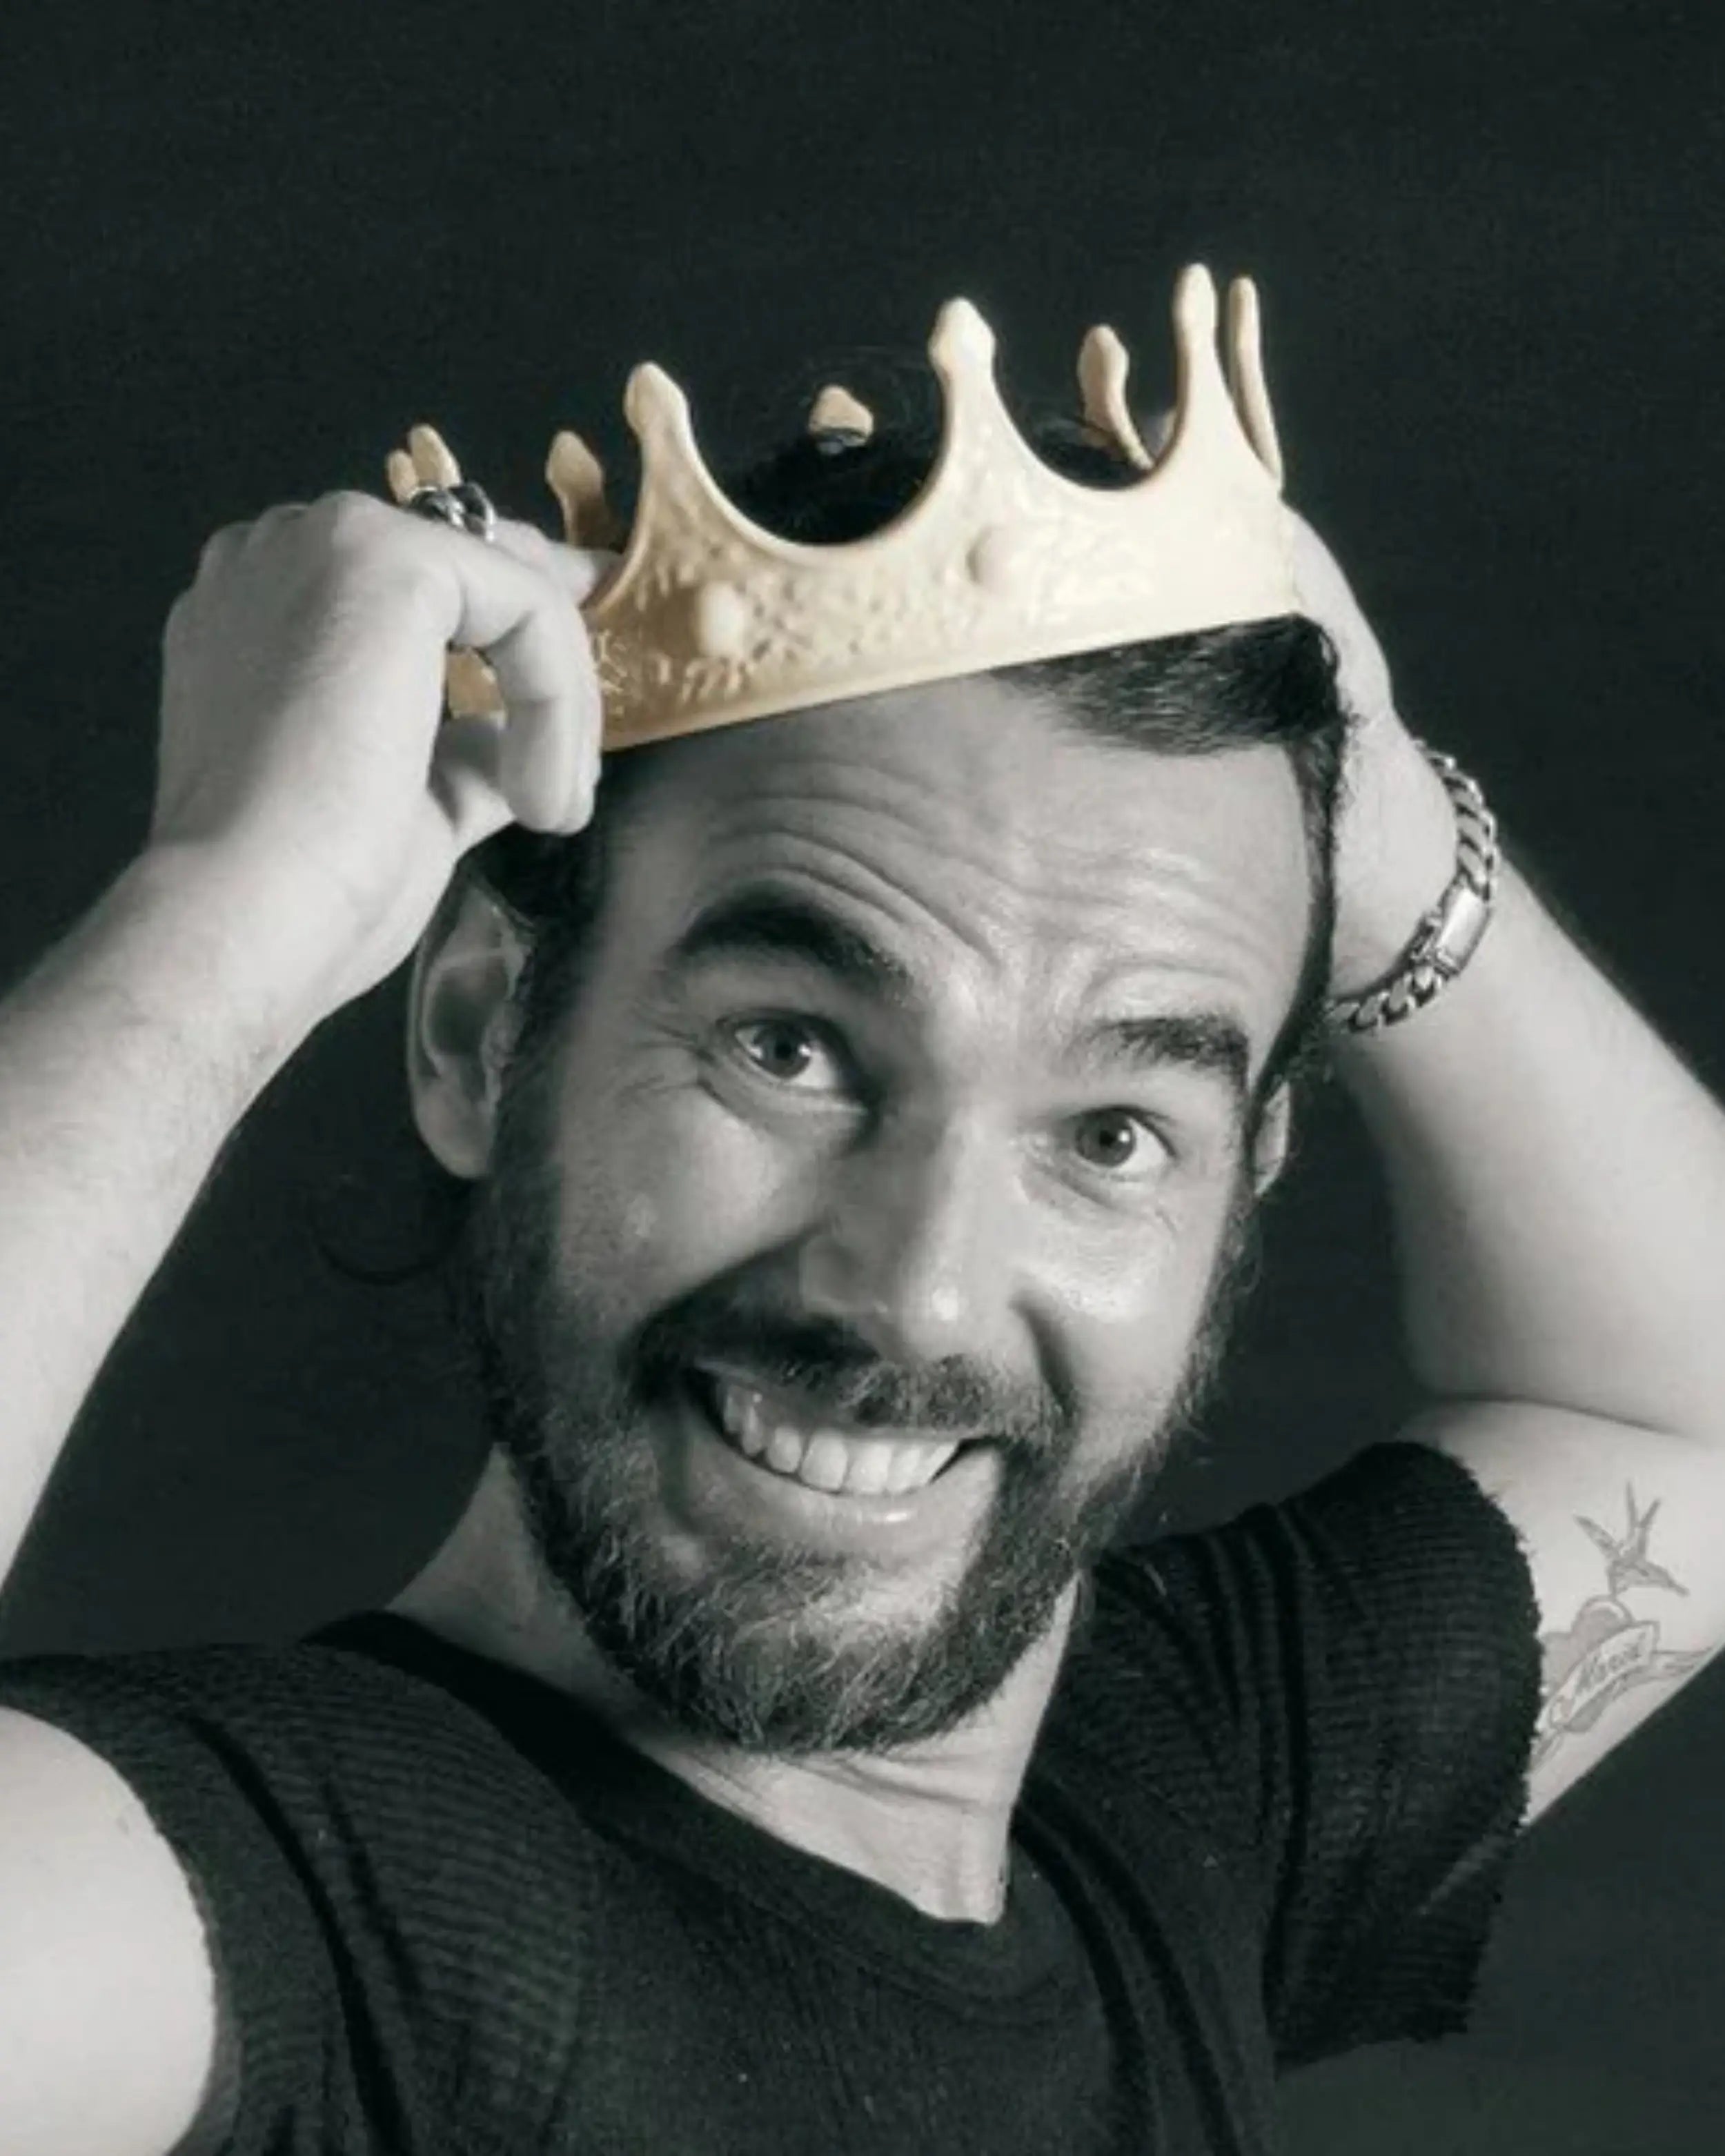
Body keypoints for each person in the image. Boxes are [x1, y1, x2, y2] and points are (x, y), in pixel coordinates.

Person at [1, 279, 1722, 2156]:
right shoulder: (323, 1905)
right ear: (487, 1034)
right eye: (791, 1049)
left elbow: (1684, 1412)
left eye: (1115, 1132)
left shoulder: (1173, 1801)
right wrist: (228, 911)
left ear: (1244, 1181)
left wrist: (1357, 805)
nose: (919, 1294)